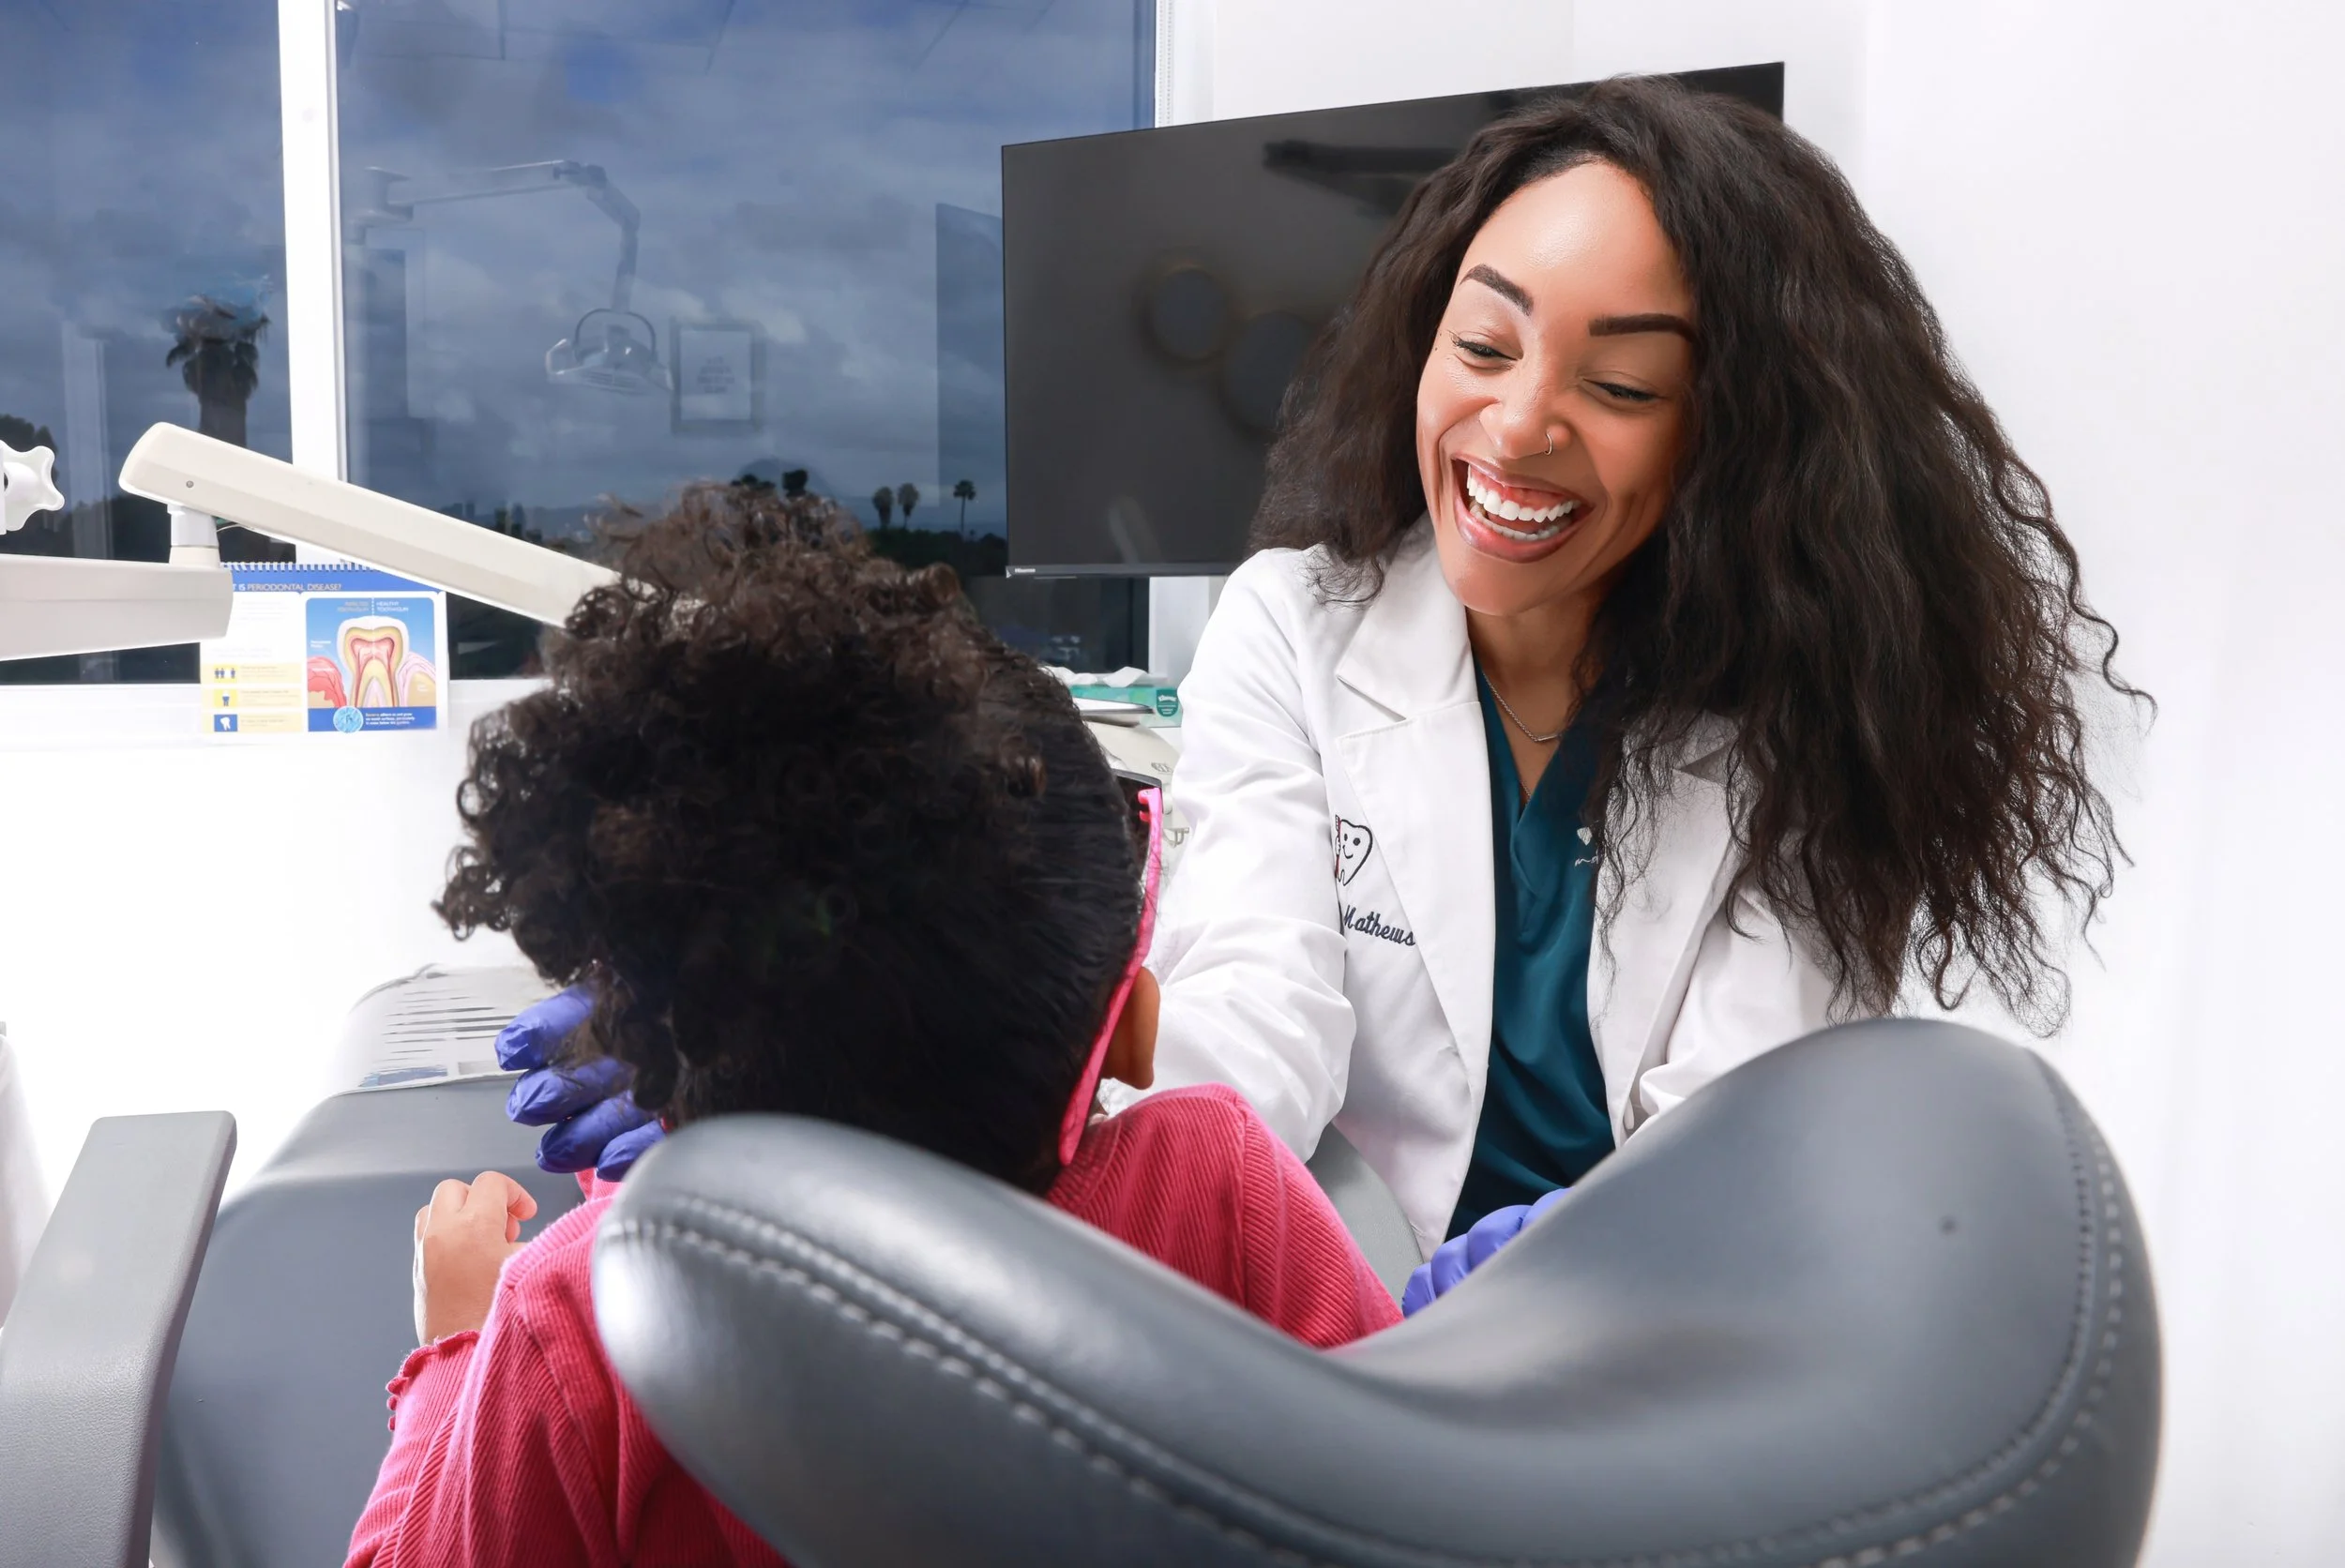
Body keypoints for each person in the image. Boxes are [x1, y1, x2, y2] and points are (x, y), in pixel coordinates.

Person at [501, 76, 2140, 1283]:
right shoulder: (1297, 621)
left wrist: (1580, 1259)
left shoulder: (1801, 704)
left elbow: (1749, 1121)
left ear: (1739, 438)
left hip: (1665, 1329)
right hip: (1342, 1298)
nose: (1516, 428)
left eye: (1620, 380)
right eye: (1483, 346)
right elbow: (1257, 1018)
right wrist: (792, 1028)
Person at [346, 488, 1399, 1567]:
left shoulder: (576, 1321)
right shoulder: (1218, 1192)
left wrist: (453, 1355)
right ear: (1130, 1026)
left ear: (657, 1049)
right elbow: (1409, 1497)